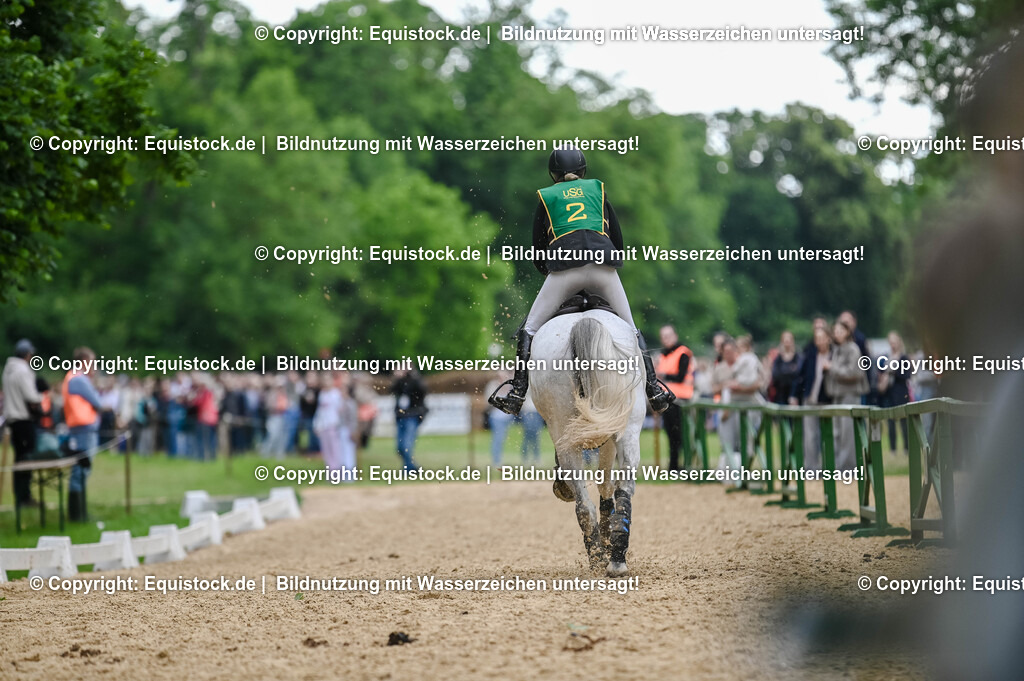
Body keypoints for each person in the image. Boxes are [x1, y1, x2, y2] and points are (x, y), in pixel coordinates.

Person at [487, 148, 673, 416]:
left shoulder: (547, 196)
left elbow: (538, 247)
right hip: (603, 268)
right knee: (631, 329)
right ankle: (654, 389)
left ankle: (517, 392)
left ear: (553, 174)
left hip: (566, 271)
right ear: (584, 170)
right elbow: (617, 239)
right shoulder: (598, 191)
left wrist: (550, 273)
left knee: (529, 329)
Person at [63, 346, 102, 521]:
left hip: (79, 428)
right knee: (81, 471)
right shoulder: (78, 379)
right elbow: (97, 401)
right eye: (92, 363)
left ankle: (78, 514)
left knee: (80, 470)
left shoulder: (72, 378)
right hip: (84, 429)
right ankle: (78, 515)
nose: (94, 367)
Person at [824, 320, 869, 471]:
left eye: (840, 331)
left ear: (847, 332)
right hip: (837, 395)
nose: (837, 334)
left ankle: (848, 468)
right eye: (835, 331)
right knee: (837, 433)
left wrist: (832, 368)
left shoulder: (853, 349)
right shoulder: (837, 349)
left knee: (848, 434)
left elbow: (855, 373)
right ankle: (838, 466)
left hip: (850, 394)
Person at [2, 339, 42, 508]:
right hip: (23, 418)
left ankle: (20, 496)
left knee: (18, 458)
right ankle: (24, 497)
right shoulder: (22, 370)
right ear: (27, 355)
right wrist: (41, 398)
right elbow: (31, 396)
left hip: (12, 418)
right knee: (26, 458)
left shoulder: (7, 370)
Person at [791, 326, 833, 470]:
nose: (820, 342)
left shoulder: (834, 356)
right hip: (810, 398)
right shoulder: (810, 356)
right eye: (817, 339)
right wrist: (794, 395)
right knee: (810, 437)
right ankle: (812, 468)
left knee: (828, 436)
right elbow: (800, 377)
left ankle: (828, 467)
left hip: (828, 400)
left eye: (822, 338)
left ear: (829, 338)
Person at [655, 325, 694, 471]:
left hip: (681, 399)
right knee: (670, 434)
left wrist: (663, 375)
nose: (666, 339)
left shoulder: (683, 352)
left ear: (675, 335)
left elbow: (680, 376)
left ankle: (684, 465)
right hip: (667, 399)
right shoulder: (663, 355)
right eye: (663, 336)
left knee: (680, 434)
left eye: (668, 336)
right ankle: (674, 466)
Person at [878, 331, 911, 453]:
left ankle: (906, 448)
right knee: (890, 422)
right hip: (889, 394)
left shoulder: (903, 358)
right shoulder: (886, 358)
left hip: (901, 393)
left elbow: (907, 375)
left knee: (904, 422)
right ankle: (893, 449)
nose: (893, 345)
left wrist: (894, 371)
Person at [391, 368, 426, 470]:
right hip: (401, 416)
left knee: (406, 445)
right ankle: (412, 467)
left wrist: (411, 375)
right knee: (400, 447)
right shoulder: (399, 383)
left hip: (412, 415)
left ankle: (408, 469)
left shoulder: (415, 381)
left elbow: (422, 390)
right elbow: (392, 390)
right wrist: (397, 379)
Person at [770, 331, 802, 406]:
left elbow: (799, 376)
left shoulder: (798, 358)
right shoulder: (778, 359)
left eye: (789, 339)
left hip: (794, 395)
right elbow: (775, 376)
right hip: (780, 395)